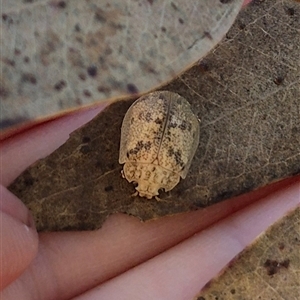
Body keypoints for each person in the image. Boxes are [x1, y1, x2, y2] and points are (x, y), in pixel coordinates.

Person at [1, 1, 299, 299]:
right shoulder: (143, 170)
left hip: (163, 115)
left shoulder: (160, 174)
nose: (145, 191)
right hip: (163, 115)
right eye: (152, 190)